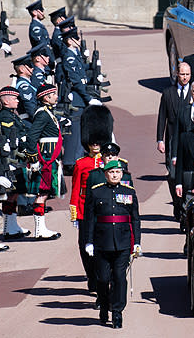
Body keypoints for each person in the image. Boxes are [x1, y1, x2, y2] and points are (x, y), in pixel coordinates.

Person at [84, 160, 141, 329]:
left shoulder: (129, 192)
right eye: (111, 172)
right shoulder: (96, 192)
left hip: (122, 243)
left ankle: (117, 312)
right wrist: (89, 241)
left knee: (119, 277)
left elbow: (135, 219)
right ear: (106, 174)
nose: (115, 175)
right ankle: (103, 304)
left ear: (122, 174)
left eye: (117, 172)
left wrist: (137, 242)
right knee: (102, 279)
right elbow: (89, 220)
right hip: (102, 242)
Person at [72, 105, 113, 298]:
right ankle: (91, 276)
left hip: (103, 211)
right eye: (92, 142)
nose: (95, 145)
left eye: (98, 142)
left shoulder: (110, 164)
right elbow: (75, 189)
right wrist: (74, 213)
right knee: (84, 247)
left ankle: (101, 278)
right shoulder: (81, 164)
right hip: (84, 211)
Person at [24, 84, 64, 240]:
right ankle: (39, 230)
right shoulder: (42, 114)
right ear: (46, 98)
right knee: (42, 193)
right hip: (46, 158)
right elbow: (32, 137)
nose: (56, 96)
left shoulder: (48, 113)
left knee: (46, 193)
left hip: (50, 157)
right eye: (53, 94)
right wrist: (33, 159)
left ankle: (42, 228)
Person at [60, 26, 103, 173]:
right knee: (75, 132)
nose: (78, 40)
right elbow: (76, 80)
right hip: (76, 97)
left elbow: (81, 72)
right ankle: (70, 162)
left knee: (79, 132)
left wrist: (93, 66)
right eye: (76, 38)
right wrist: (88, 97)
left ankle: (76, 159)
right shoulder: (69, 56)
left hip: (80, 96)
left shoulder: (74, 54)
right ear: (70, 41)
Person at [0, 86, 32, 239]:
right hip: (11, 158)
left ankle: (13, 225)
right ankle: (8, 228)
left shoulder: (12, 115)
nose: (18, 100)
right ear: (5, 101)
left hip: (17, 158)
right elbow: (11, 137)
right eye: (14, 98)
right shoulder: (5, 117)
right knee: (11, 194)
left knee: (16, 193)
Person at [157, 62, 192, 218]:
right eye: (182, 74)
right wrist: (159, 139)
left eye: (187, 74)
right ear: (177, 74)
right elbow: (162, 117)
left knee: (188, 174)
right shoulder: (168, 93)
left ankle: (186, 205)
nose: (184, 77)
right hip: (172, 139)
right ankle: (177, 203)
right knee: (172, 175)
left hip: (189, 139)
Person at [11, 54, 37, 121]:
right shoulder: (24, 86)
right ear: (21, 69)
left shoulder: (27, 83)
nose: (32, 68)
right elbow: (30, 107)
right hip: (29, 120)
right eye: (29, 66)